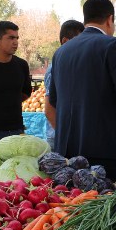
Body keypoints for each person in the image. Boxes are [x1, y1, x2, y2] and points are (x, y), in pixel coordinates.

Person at [49, 0, 116, 185]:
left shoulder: (61, 52)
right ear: (110, 19)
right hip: (109, 151)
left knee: (76, 208)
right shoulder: (113, 45)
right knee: (114, 208)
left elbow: (54, 100)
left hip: (70, 153)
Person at [44, 19, 85, 150]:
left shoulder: (72, 65)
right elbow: (49, 109)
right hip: (57, 138)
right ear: (65, 41)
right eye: (79, 41)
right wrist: (64, 135)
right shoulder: (55, 68)